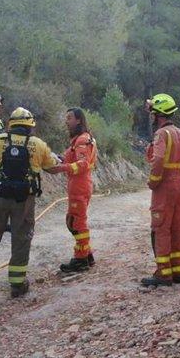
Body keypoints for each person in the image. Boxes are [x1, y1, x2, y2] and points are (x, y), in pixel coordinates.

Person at [0, 107, 60, 298]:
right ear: (30, 126)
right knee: (21, 239)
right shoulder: (38, 144)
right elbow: (52, 167)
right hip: (24, 200)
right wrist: (67, 164)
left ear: (11, 124)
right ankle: (17, 285)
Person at [142, 93, 180, 287]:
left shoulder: (161, 134)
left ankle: (163, 274)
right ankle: (177, 271)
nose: (151, 116)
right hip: (176, 188)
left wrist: (154, 181)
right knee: (176, 230)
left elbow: (158, 159)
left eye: (152, 113)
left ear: (158, 114)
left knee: (161, 229)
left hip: (164, 188)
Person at [57, 108, 99, 273]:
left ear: (78, 120)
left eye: (69, 118)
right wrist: (59, 159)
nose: (66, 121)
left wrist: (61, 167)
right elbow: (76, 160)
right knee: (73, 221)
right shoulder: (81, 139)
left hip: (79, 185)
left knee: (77, 223)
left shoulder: (82, 140)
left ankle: (81, 259)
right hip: (79, 184)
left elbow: (82, 164)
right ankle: (87, 255)